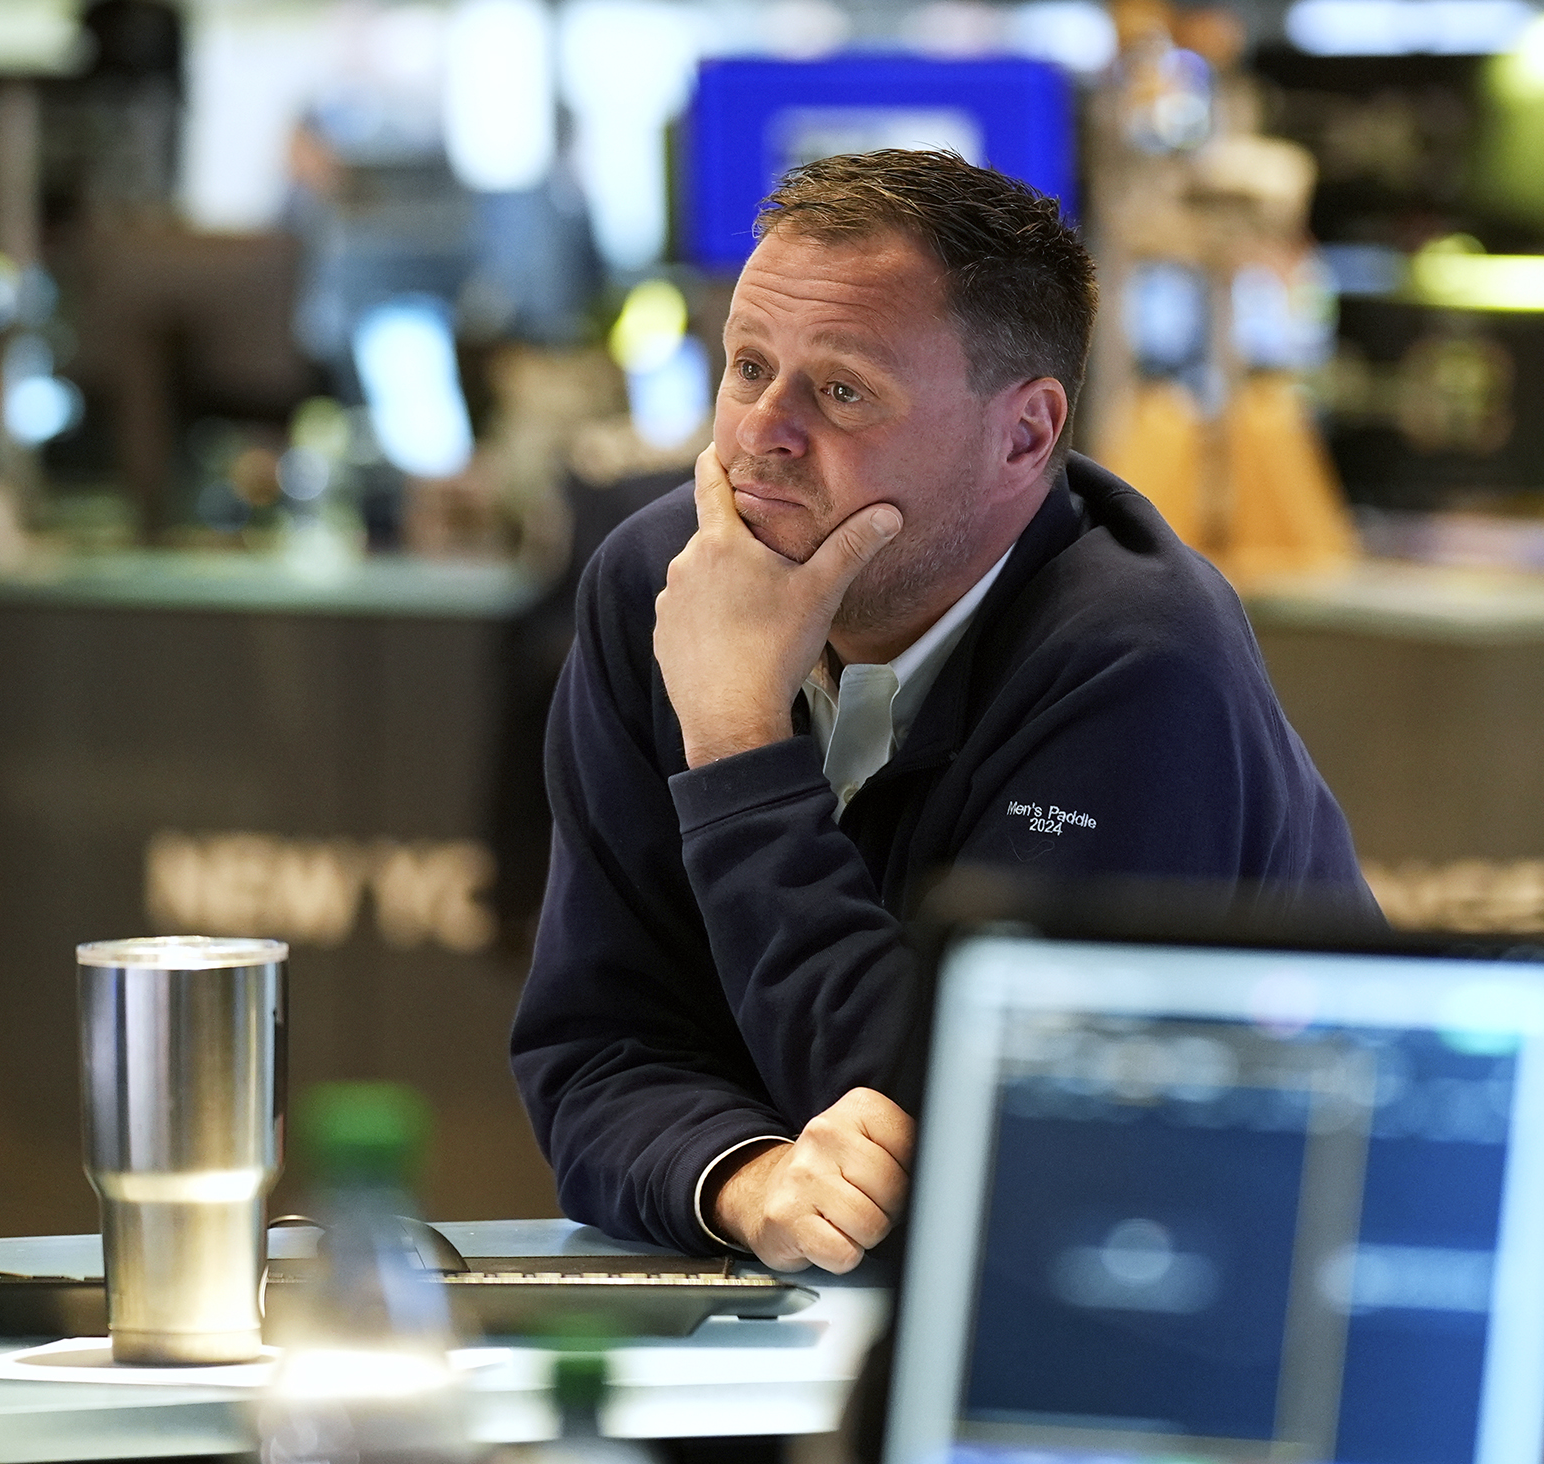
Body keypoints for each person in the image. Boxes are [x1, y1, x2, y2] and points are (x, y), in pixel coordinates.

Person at [510, 150, 1371, 1271]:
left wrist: (735, 745)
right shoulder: (659, 588)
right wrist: (744, 1175)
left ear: (1023, 435)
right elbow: (596, 1049)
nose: (760, 433)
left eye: (843, 390)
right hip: (833, 1336)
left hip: (1235, 1314)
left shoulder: (1139, 657)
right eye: (747, 365)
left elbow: (982, 1149)